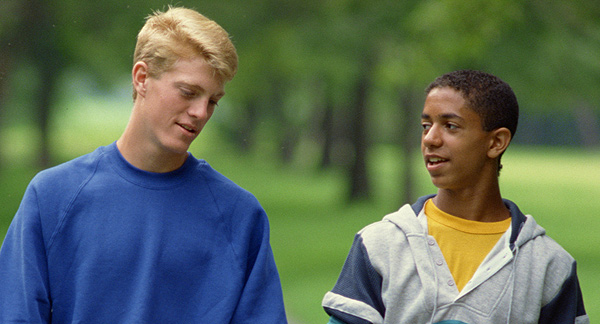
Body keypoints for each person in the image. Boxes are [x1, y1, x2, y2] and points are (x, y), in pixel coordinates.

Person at [0, 6, 287, 323]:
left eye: (213, 101)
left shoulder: (240, 216)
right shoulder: (53, 197)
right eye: (188, 92)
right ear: (141, 78)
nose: (200, 112)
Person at [322, 70, 588, 323]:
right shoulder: (380, 246)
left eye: (450, 126)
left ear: (496, 143)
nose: (430, 139)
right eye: (426, 125)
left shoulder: (548, 266)